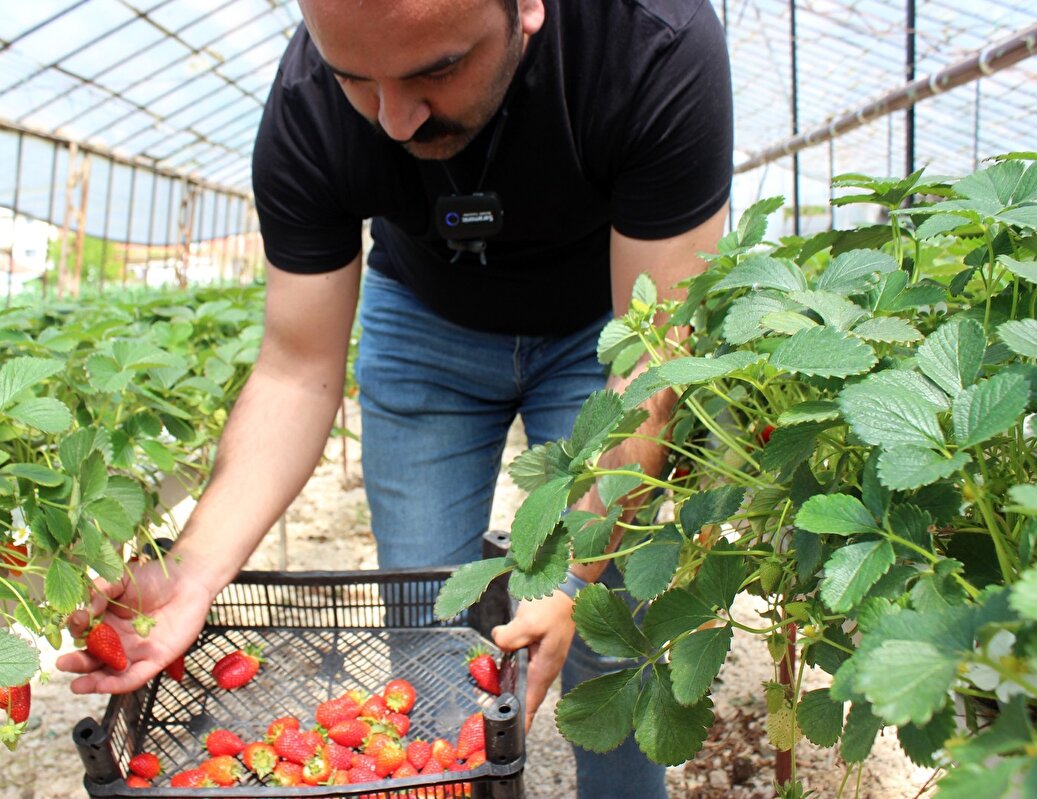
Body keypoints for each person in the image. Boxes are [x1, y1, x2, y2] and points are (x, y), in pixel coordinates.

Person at [57, 0, 732, 795]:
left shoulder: (653, 43)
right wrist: (192, 571)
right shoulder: (307, 106)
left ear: (527, 9)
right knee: (427, 619)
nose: (396, 119)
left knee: (608, 627)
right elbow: (295, 370)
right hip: (423, 322)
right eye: (357, 79)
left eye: (436, 69)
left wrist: (574, 578)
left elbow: (655, 357)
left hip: (606, 329)